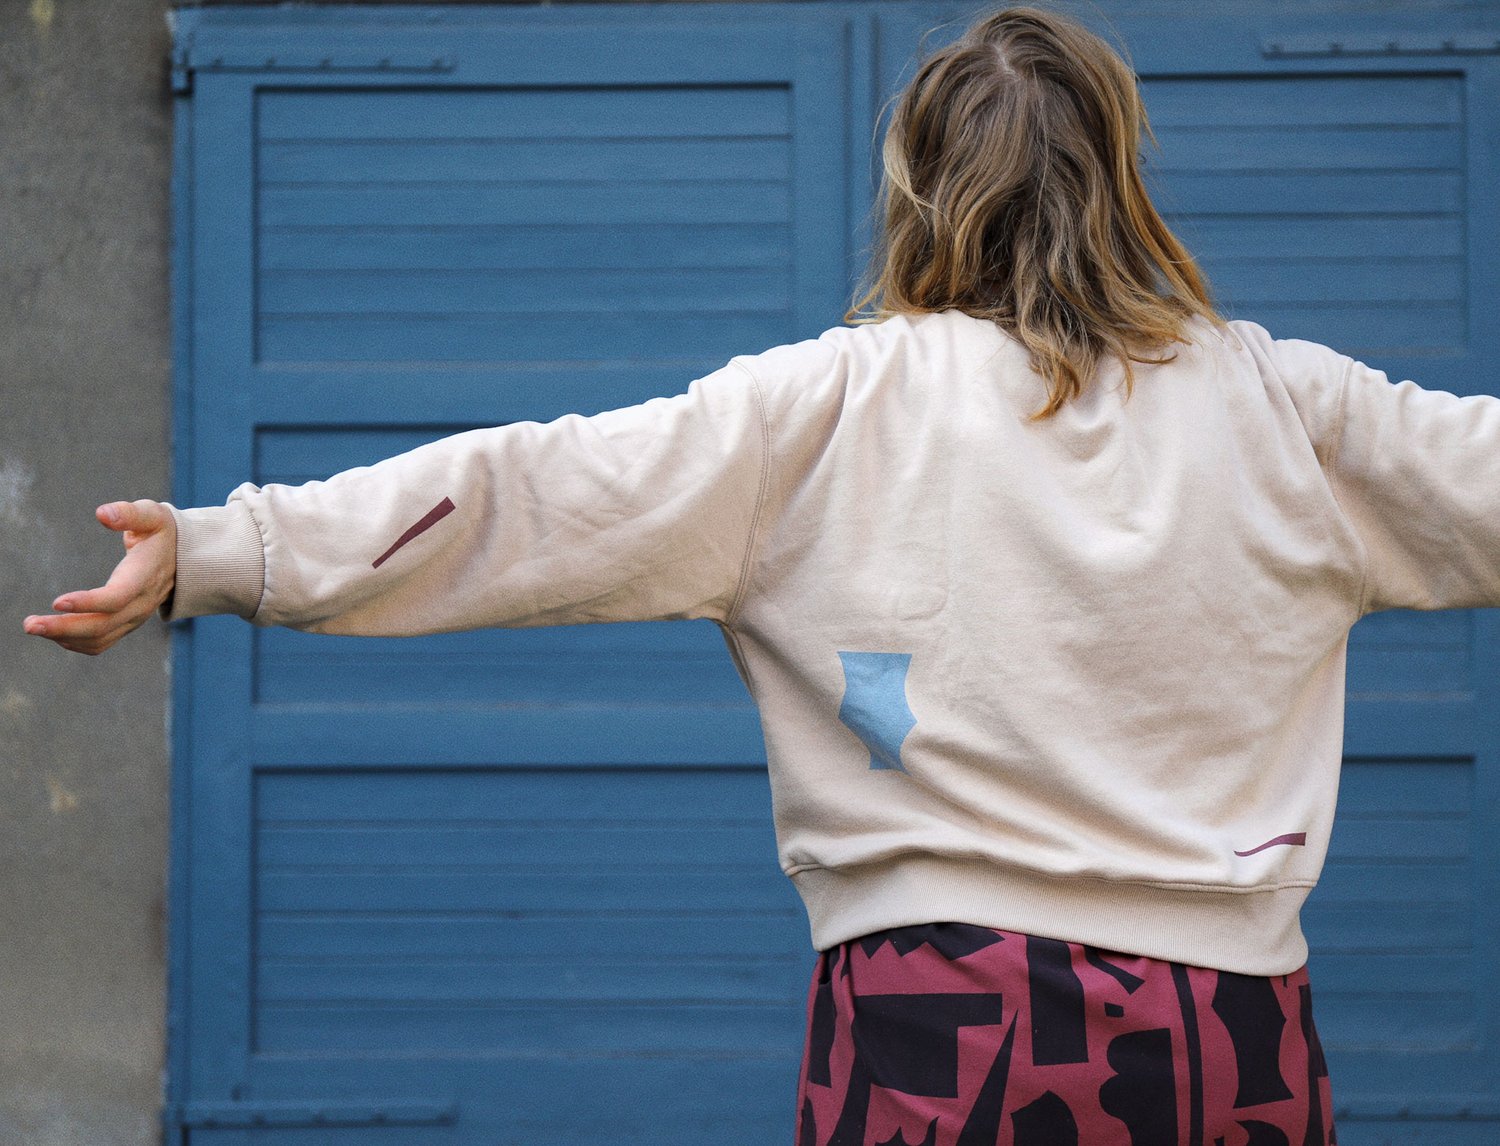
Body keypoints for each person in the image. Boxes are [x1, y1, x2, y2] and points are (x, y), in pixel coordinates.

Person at [24, 7, 1500, 1144]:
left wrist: (224, 549)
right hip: (1227, 1038)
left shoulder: (829, 410)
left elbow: (540, 491)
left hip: (940, 1027)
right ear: (1122, 176)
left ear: (919, 189)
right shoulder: (1293, 412)